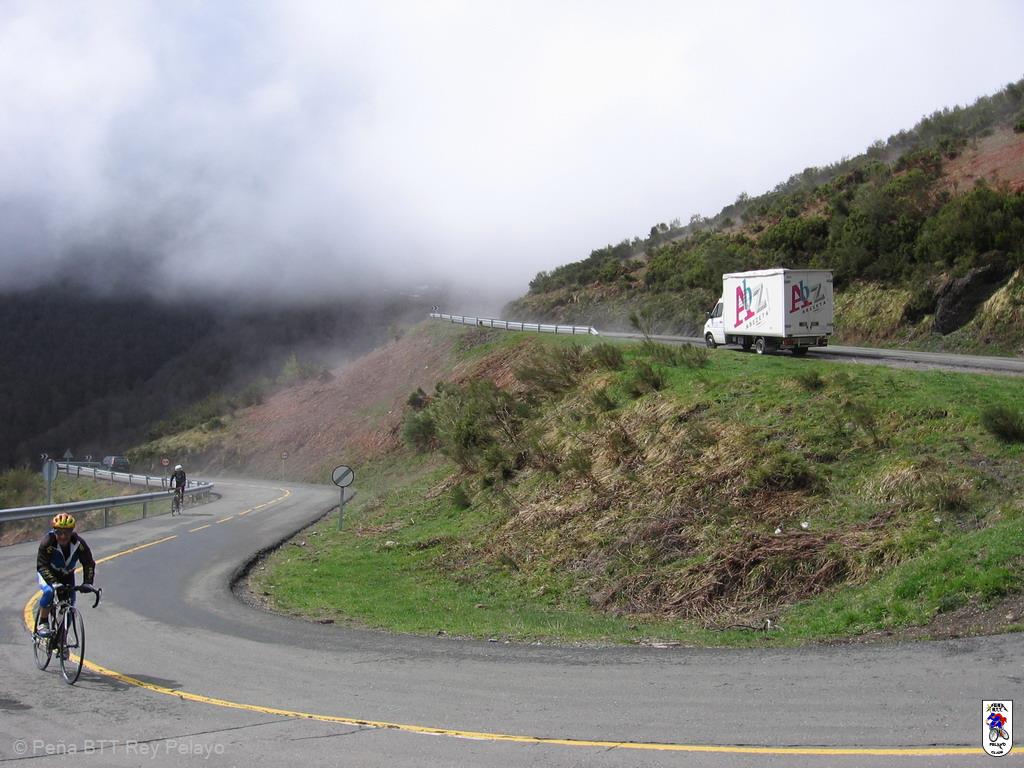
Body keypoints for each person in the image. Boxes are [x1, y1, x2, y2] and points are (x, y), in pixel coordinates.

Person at [36, 513, 96, 638]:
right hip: (47, 573)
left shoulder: (79, 544)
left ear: (72, 532)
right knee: (49, 592)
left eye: (67, 533)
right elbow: (42, 565)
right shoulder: (48, 542)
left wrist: (88, 582)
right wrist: (54, 582)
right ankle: (43, 622)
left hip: (67, 575)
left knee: (69, 606)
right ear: (54, 531)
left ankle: (61, 638)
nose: (63, 536)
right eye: (59, 533)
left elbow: (88, 563)